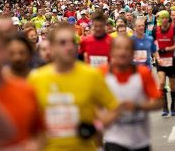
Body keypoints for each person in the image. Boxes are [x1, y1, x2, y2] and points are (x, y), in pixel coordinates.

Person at [27, 23, 119, 151]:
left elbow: (114, 108)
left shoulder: (91, 75)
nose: (69, 47)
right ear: (52, 47)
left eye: (72, 42)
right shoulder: (36, 79)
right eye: (62, 42)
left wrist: (96, 126)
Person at [101, 35, 162, 151]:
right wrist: (108, 117)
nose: (123, 52)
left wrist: (137, 106)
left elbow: (158, 103)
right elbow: (93, 105)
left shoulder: (143, 73)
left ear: (133, 52)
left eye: (127, 48)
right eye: (118, 48)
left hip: (141, 141)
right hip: (114, 140)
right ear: (111, 51)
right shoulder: (101, 73)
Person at [153, 11, 175, 117]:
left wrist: (168, 49)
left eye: (166, 18)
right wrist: (156, 56)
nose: (164, 20)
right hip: (160, 60)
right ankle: (165, 107)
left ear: (168, 19)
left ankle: (173, 107)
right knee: (161, 83)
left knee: (173, 86)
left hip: (172, 59)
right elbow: (153, 44)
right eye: (162, 18)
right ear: (160, 19)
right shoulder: (155, 29)